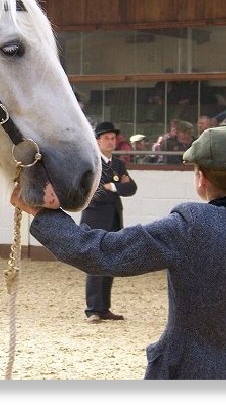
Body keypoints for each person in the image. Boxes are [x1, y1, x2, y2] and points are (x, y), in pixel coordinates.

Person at [11, 126, 226, 379]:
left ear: (201, 177)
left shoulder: (190, 225)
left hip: (181, 374)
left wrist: (41, 213)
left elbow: (100, 253)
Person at [82, 121, 137, 323]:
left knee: (110, 263)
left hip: (114, 218)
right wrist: (118, 186)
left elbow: (132, 188)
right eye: (106, 138)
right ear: (97, 141)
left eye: (113, 138)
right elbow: (93, 192)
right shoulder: (92, 163)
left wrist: (112, 187)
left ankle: (104, 307)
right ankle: (92, 309)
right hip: (95, 219)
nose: (111, 142)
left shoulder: (118, 164)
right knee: (96, 263)